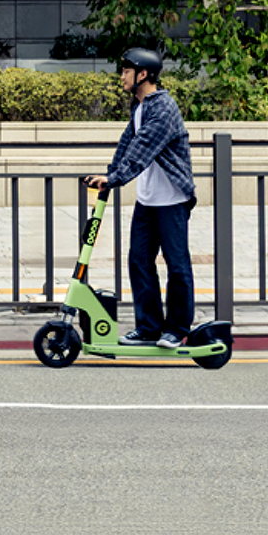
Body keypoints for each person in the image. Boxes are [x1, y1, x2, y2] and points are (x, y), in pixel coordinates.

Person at [85, 47, 197, 348]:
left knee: (177, 265)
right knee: (139, 260)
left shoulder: (163, 108)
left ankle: (176, 329)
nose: (121, 77)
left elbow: (143, 148)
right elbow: (126, 145)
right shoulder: (140, 106)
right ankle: (148, 327)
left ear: (143, 74)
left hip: (172, 199)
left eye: (126, 72)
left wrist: (117, 178)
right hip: (148, 200)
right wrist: (108, 176)